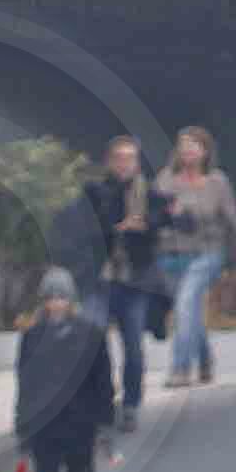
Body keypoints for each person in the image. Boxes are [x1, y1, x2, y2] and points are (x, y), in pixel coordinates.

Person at [57, 136, 159, 428]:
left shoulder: (148, 193)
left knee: (134, 347)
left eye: (131, 158)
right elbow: (80, 229)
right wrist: (114, 229)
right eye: (120, 158)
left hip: (134, 281)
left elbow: (160, 227)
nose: (125, 164)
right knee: (91, 341)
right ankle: (100, 401)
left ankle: (130, 404)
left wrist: (147, 227)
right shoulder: (95, 192)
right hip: (99, 279)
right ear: (110, 161)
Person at [13, 270, 114, 472]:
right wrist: (22, 425)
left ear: (71, 301)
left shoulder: (91, 335)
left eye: (61, 298)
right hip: (45, 428)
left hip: (80, 425)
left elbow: (103, 383)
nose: (56, 304)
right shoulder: (32, 337)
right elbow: (25, 383)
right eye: (50, 298)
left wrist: (104, 422)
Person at [153, 126, 236, 389]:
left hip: (207, 254)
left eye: (194, 146)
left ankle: (180, 368)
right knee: (188, 310)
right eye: (184, 145)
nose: (188, 151)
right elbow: (152, 216)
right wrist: (170, 215)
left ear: (205, 152)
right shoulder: (165, 180)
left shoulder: (217, 183)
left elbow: (232, 222)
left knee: (185, 304)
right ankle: (204, 360)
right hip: (171, 255)